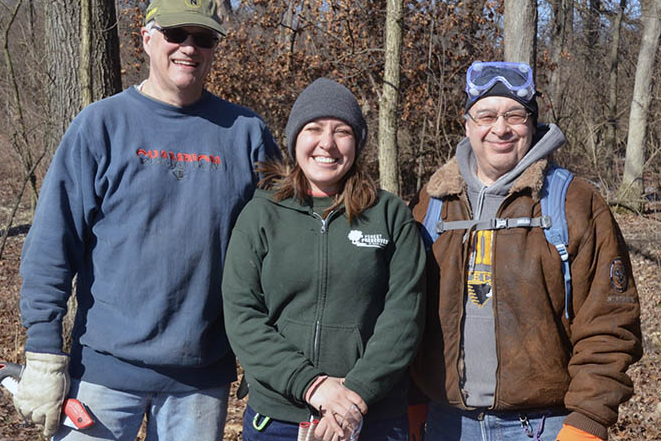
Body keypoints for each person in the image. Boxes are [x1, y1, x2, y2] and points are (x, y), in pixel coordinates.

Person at [14, 0, 279, 441]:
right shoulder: (101, 125)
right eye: (177, 33)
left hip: (200, 377)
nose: (189, 48)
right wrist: (42, 352)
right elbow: (53, 243)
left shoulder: (246, 133)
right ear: (147, 38)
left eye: (205, 38)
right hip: (102, 372)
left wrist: (271, 354)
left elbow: (283, 251)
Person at [409, 61, 642, 441]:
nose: (500, 128)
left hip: (543, 426)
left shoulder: (572, 203)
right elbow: (408, 316)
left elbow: (610, 325)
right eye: (486, 115)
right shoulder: (432, 204)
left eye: (514, 115)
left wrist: (588, 422)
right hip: (445, 423)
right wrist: (413, 401)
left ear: (531, 124)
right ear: (467, 124)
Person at [222, 78, 426, 441]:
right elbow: (242, 315)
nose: (327, 143)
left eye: (342, 131)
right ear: (295, 139)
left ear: (358, 143)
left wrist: (355, 395)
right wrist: (312, 386)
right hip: (278, 418)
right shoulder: (261, 214)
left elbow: (405, 315)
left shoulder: (389, 214)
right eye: (314, 129)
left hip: (373, 418)